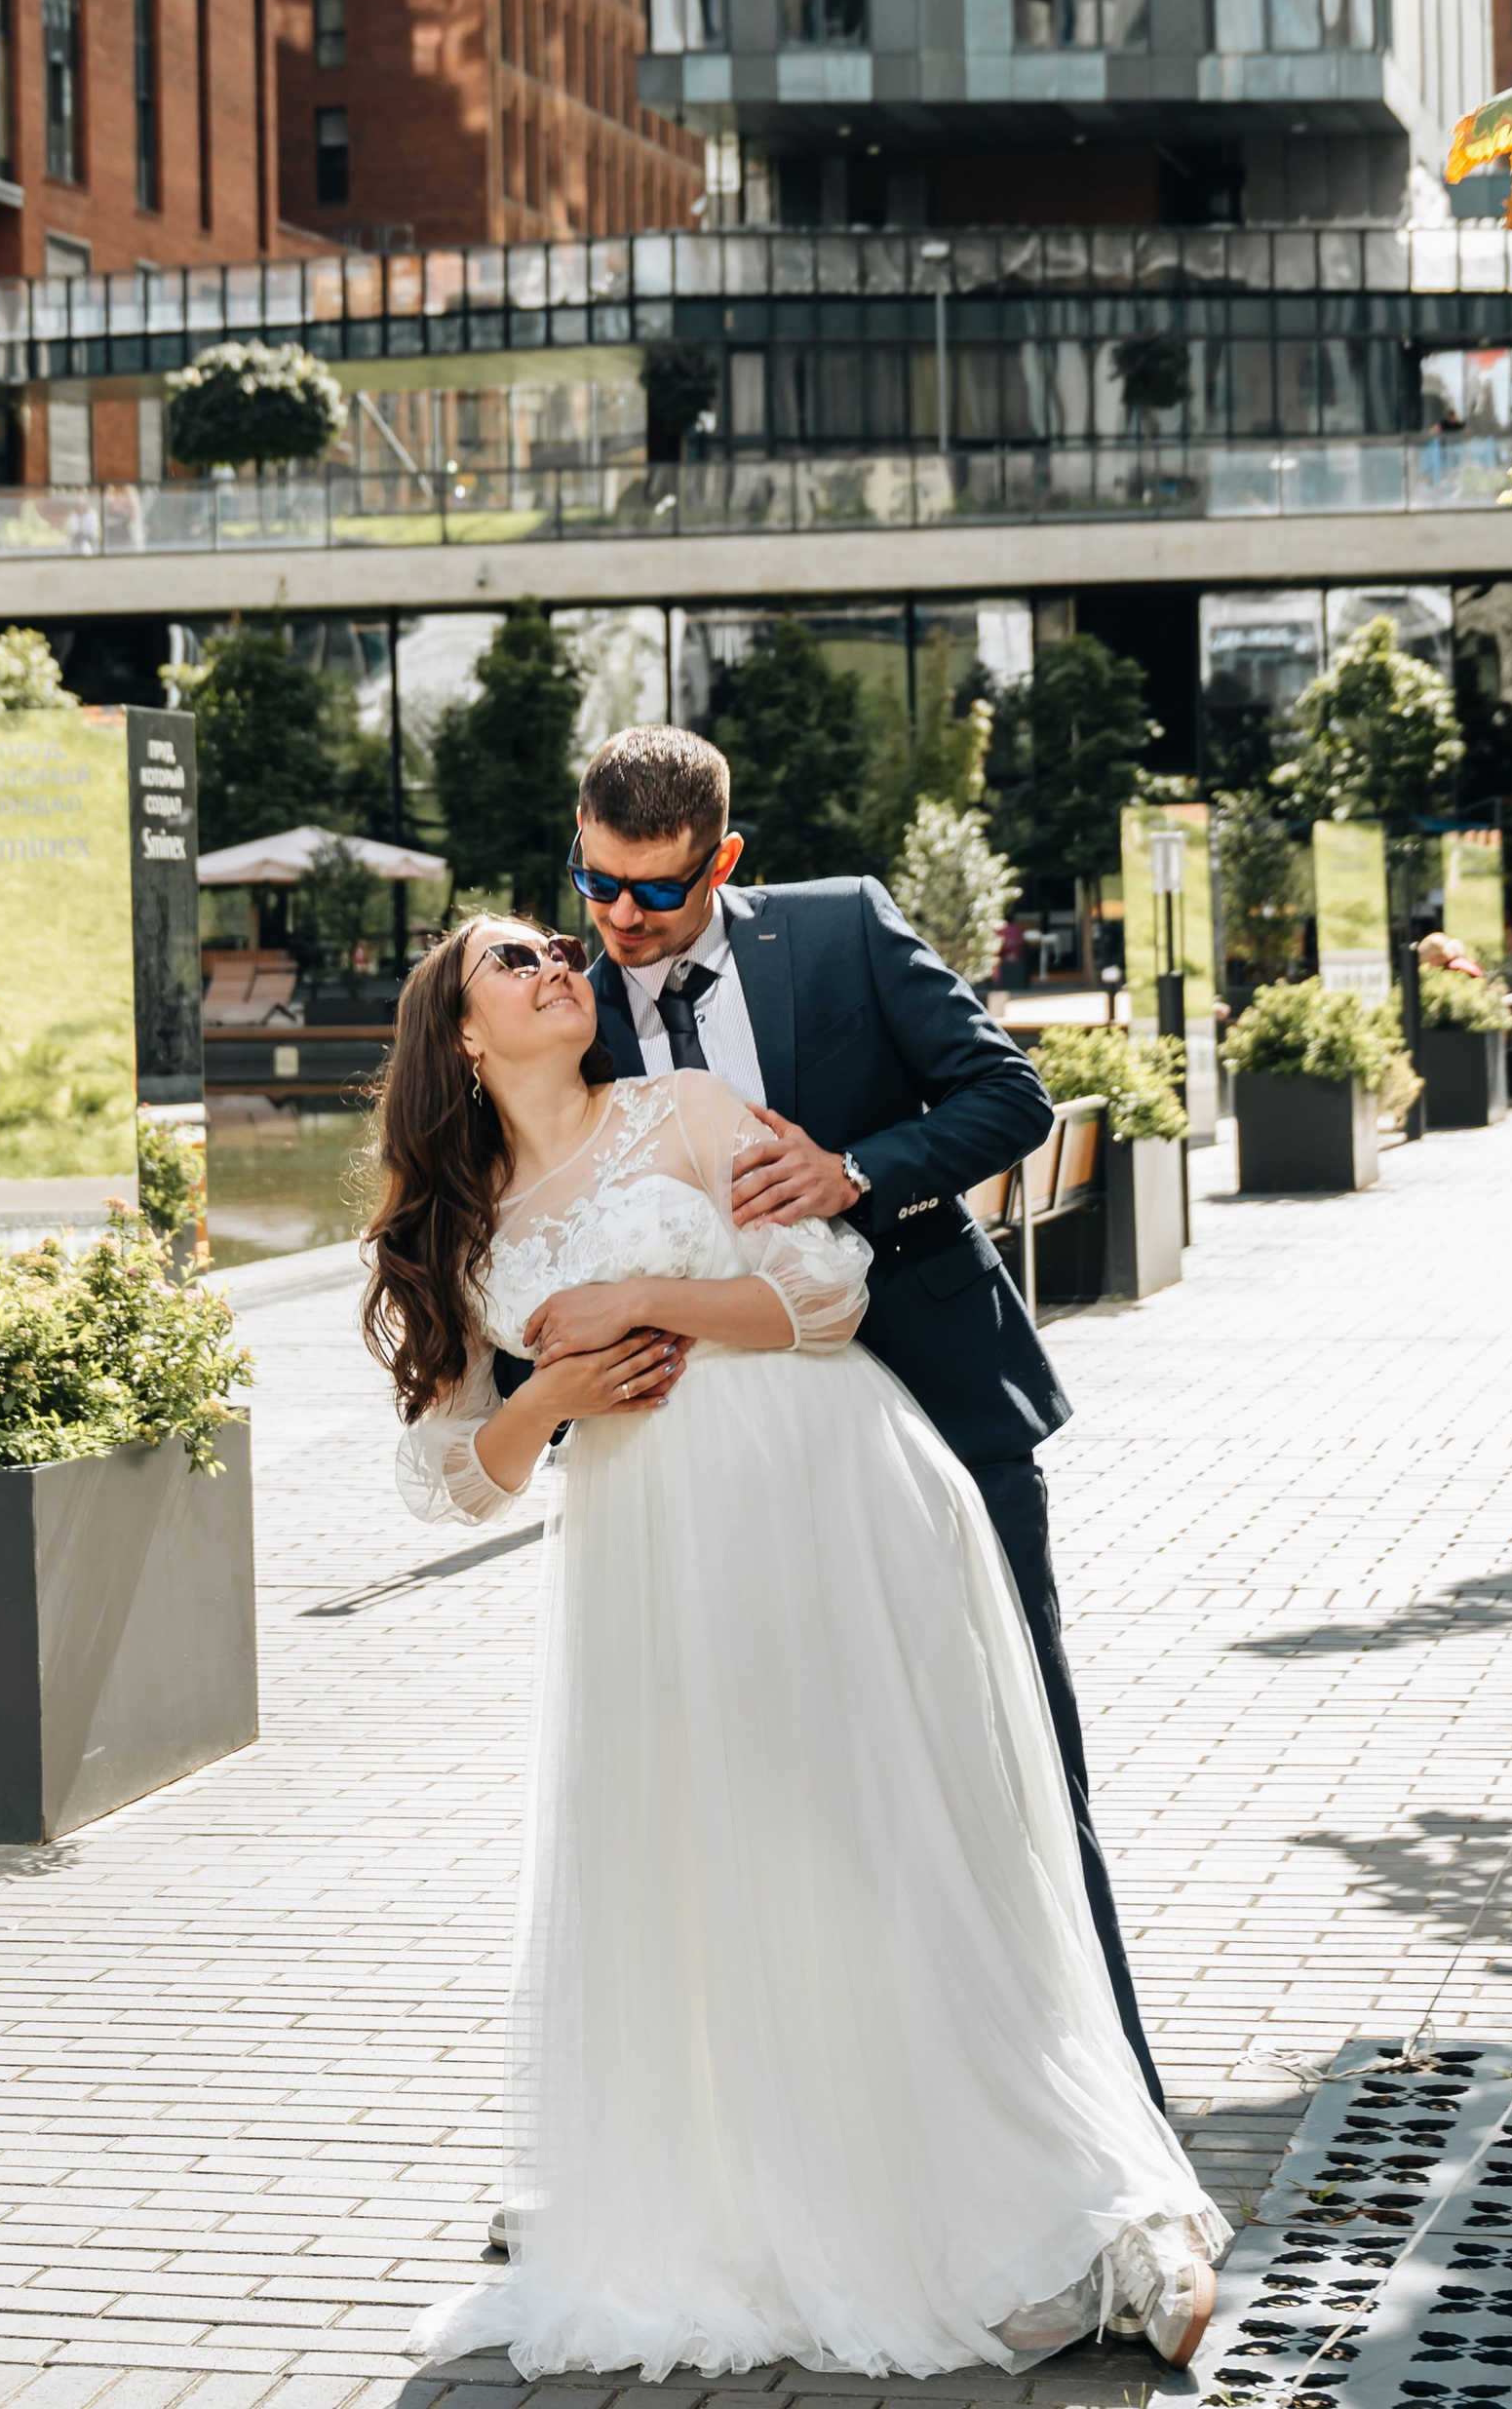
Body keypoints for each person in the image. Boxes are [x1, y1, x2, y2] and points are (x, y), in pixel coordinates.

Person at [365, 916, 1225, 2380]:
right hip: (655, 1561)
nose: (561, 964)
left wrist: (640, 1297)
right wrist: (548, 1395)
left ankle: (1042, 2194)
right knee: (729, 1863)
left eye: (562, 950)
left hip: (835, 1499)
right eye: (516, 960)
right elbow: (448, 1472)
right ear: (457, 1031)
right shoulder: (452, 1222)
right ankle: (773, 2189)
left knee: (885, 1838)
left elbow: (826, 1297)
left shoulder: (684, 1111)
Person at [556, 720, 1167, 2111]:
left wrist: (856, 1171)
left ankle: (1120, 2099)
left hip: (940, 1402)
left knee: (1024, 1748)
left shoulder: (837, 934)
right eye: (597, 884)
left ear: (723, 860)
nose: (623, 920)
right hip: (735, 1465)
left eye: (657, 891)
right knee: (774, 1784)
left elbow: (1006, 1095)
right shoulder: (571, 1010)